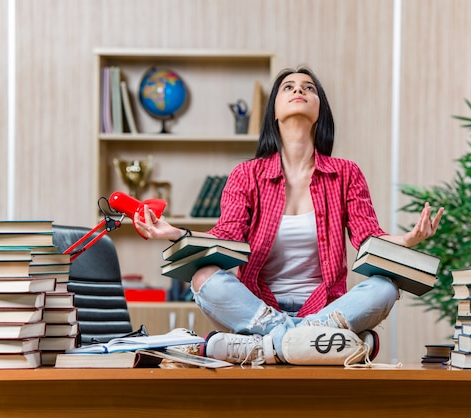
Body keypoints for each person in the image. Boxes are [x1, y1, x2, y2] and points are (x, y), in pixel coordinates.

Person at [134, 66, 444, 366]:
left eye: (309, 88)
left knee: (385, 287)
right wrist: (175, 233)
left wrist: (406, 239)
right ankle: (308, 343)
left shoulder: (346, 174)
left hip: (325, 308)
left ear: (319, 111)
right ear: (275, 112)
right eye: (289, 87)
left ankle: (265, 347)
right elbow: (225, 238)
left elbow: (368, 238)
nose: (299, 90)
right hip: (258, 307)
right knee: (204, 278)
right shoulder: (246, 175)